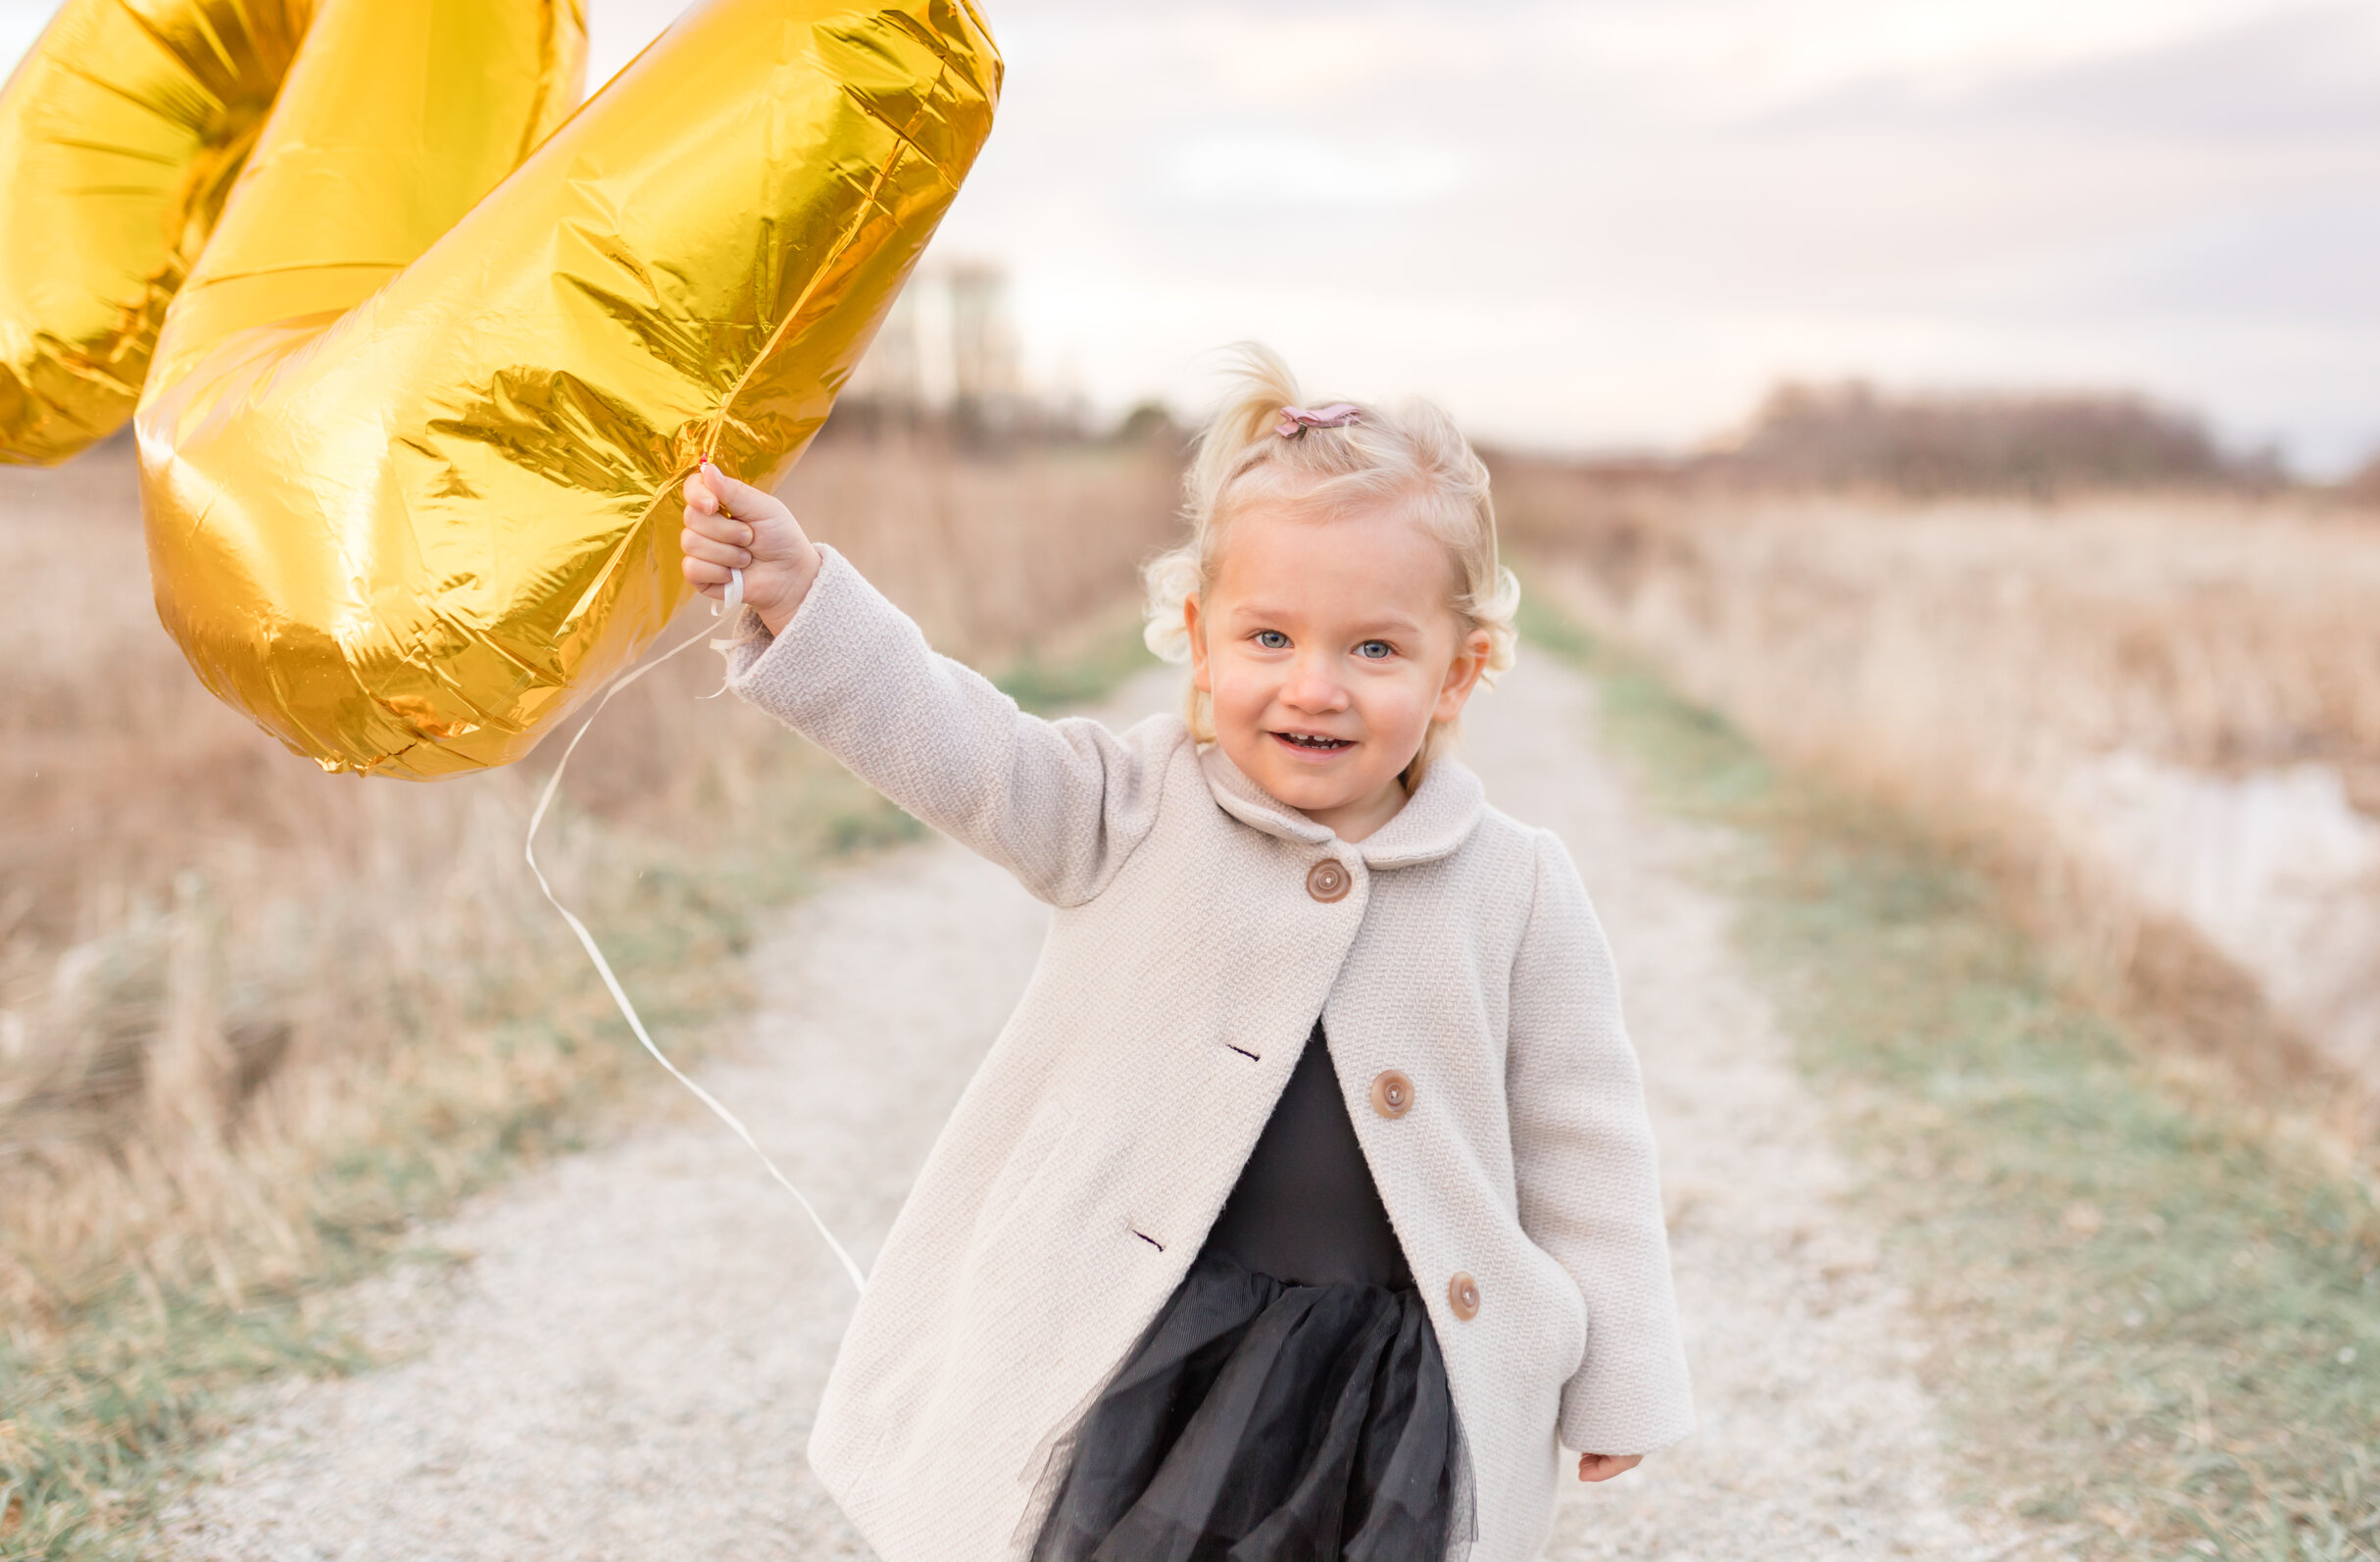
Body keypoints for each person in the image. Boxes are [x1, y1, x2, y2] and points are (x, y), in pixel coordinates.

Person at [677, 344, 1693, 1562]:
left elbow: (1587, 1140)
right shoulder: (1130, 807)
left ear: (1458, 669)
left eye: (1374, 649)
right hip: (1157, 1344)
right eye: (1269, 636)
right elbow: (959, 743)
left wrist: (1621, 1372)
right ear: (1200, 641)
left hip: (1400, 1380)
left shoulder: (1515, 885)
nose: (1313, 686)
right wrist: (804, 598)